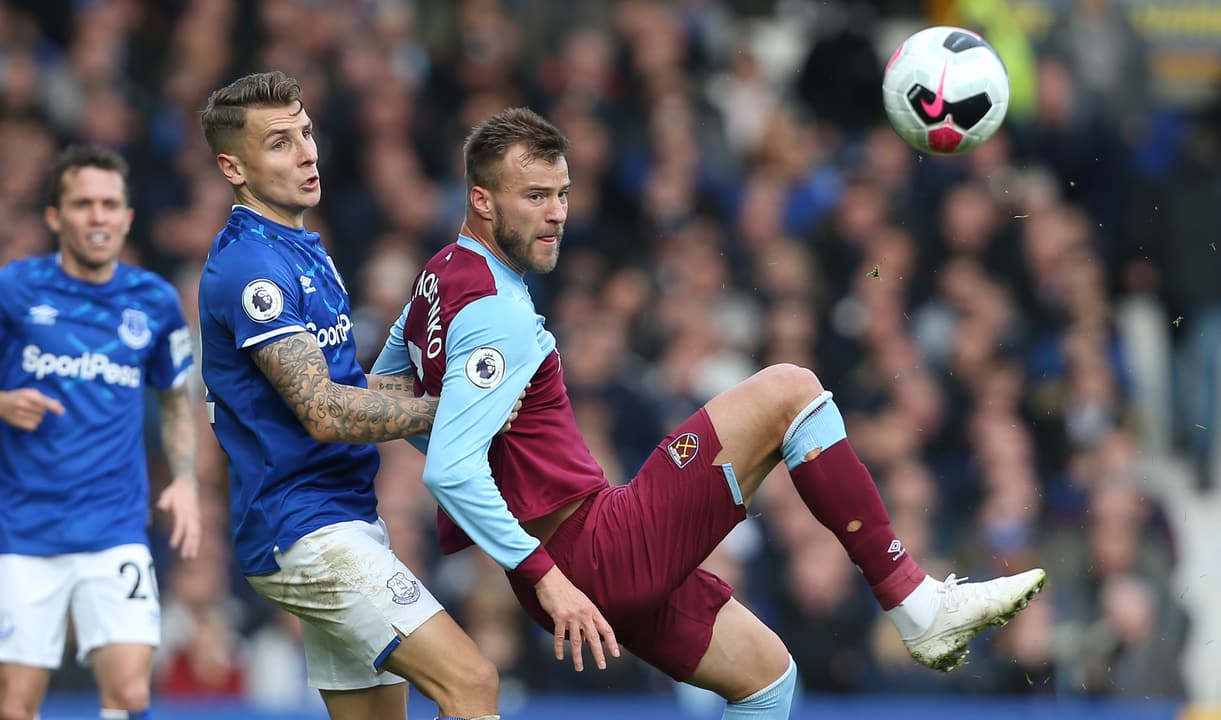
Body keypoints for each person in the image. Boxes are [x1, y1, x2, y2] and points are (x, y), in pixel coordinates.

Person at [373, 107, 1048, 717]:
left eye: (562, 195)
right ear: (481, 201)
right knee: (790, 388)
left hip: (576, 563)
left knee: (767, 680)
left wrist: (459, 412)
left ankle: (916, 607)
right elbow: (452, 471)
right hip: (591, 554)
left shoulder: (438, 277)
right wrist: (549, 580)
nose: (556, 214)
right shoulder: (498, 312)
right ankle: (914, 602)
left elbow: (381, 398)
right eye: (535, 197)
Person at [196, 71, 504, 720]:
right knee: (472, 684)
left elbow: (351, 387)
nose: (307, 151)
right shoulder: (252, 267)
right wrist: (455, 411)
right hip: (305, 529)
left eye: (305, 133)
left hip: (342, 515)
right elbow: (325, 410)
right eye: (279, 142)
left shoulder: (305, 248)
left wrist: (459, 382)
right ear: (233, 166)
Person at [0, 144, 201, 720]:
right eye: (83, 204)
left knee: (132, 695)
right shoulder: (15, 290)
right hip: (24, 530)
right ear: (55, 217)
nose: (97, 216)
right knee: (16, 707)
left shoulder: (155, 302)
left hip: (115, 526)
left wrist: (184, 480)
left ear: (127, 217)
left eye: (109, 204)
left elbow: (174, 399)